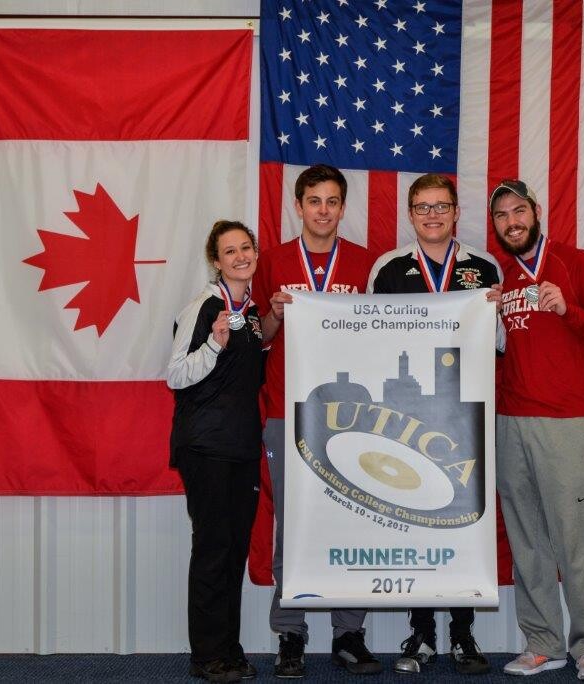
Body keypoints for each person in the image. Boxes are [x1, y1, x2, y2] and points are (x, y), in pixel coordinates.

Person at [368, 173, 502, 676]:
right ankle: (421, 631)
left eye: (440, 206)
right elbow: (367, 339)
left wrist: (491, 315)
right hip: (407, 414)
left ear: (455, 212)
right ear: (410, 214)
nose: (432, 215)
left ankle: (463, 632)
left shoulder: (482, 267)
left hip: (466, 412)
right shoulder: (389, 267)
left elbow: (501, 343)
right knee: (414, 517)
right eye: (422, 207)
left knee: (462, 521)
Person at [489, 180, 584, 681]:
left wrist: (569, 310)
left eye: (518, 210)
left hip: (564, 419)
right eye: (502, 215)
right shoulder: (498, 276)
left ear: (536, 212)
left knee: (575, 539)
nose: (511, 221)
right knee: (527, 539)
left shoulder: (574, 262)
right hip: (509, 420)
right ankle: (542, 642)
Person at [253, 164, 381, 678]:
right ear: (299, 205)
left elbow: (385, 335)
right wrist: (277, 315)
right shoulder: (273, 261)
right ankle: (291, 634)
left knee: (351, 522)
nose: (323, 210)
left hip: (350, 418)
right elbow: (258, 337)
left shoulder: (367, 263)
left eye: (332, 201)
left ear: (343, 208)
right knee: (294, 527)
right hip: (287, 413)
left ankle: (349, 632)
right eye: (314, 200)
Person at [168, 220, 265, 682]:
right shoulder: (204, 308)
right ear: (216, 260)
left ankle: (228, 647)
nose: (240, 256)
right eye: (230, 251)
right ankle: (206, 655)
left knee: (233, 552)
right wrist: (213, 342)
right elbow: (175, 375)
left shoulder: (250, 309)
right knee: (212, 549)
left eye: (246, 247)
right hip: (206, 447)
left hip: (242, 446)